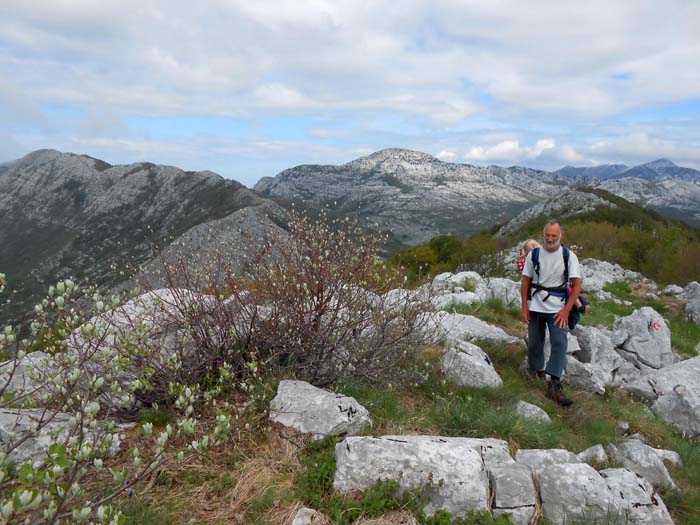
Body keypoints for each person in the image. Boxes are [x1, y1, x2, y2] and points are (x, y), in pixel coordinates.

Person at [520, 220, 582, 406]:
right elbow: (525, 281)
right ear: (543, 234)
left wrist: (566, 311)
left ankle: (554, 383)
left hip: (557, 308)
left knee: (559, 342)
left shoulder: (568, 256)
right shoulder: (534, 255)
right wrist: (524, 306)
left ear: (560, 236)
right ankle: (536, 371)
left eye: (554, 236)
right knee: (534, 344)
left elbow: (577, 285)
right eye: (547, 235)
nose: (550, 239)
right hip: (536, 306)